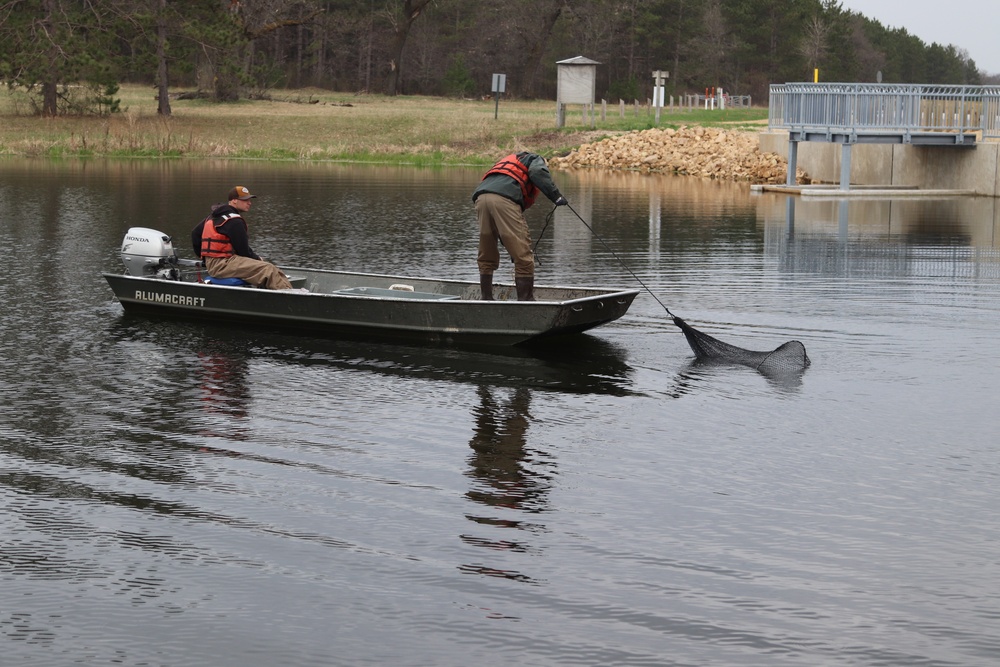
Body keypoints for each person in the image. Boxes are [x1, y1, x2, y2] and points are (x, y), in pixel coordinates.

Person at [472, 151, 568, 301]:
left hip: (481, 198)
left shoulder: (511, 160)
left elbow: (505, 231)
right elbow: (537, 171)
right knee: (524, 256)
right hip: (504, 199)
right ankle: (526, 300)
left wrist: (512, 248)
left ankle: (486, 297)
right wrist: (556, 196)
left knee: (487, 250)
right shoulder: (535, 159)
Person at [190, 185, 293, 290]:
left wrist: (206, 260)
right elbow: (244, 251)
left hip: (214, 264)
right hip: (222, 264)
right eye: (245, 200)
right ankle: (291, 298)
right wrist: (258, 259)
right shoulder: (234, 221)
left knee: (268, 268)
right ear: (234, 200)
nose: (249, 203)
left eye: (249, 200)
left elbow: (195, 234)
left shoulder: (214, 216)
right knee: (269, 270)